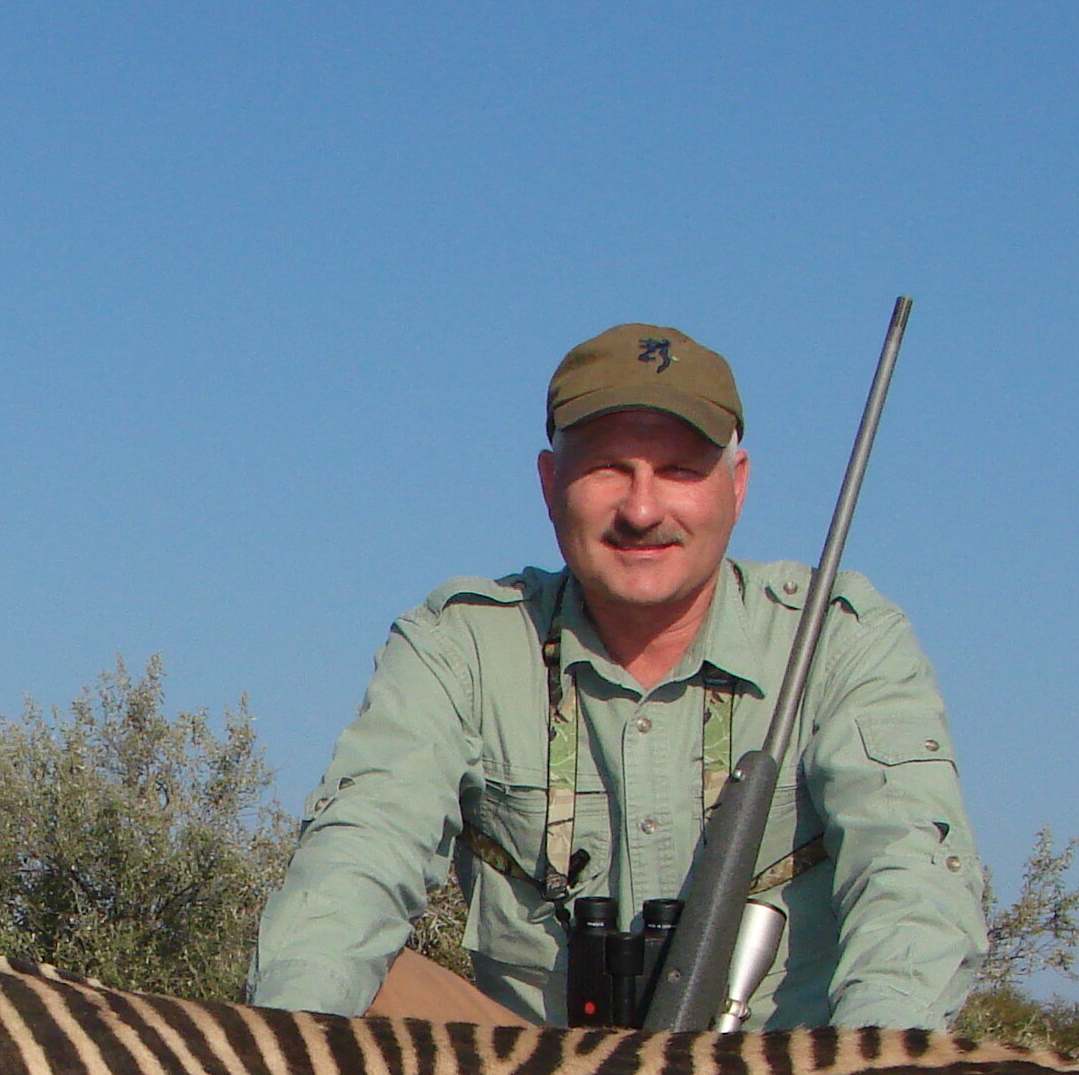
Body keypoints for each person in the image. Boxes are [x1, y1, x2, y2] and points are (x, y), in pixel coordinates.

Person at [248, 322, 985, 1029]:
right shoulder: (459, 642)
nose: (641, 508)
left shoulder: (843, 638)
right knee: (354, 997)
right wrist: (283, 1061)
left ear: (738, 484)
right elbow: (359, 858)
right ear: (549, 481)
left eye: (678, 471)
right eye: (608, 468)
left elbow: (914, 884)